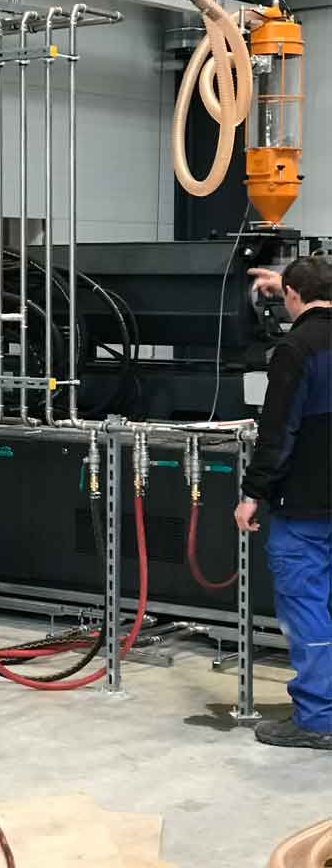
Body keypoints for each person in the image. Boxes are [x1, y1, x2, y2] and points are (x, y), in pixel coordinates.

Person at [235, 256, 332, 749]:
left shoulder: (296, 348)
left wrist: (253, 492)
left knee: (308, 606)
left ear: (293, 297)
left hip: (306, 504)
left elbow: (278, 433)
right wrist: (292, 281)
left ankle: (318, 719)